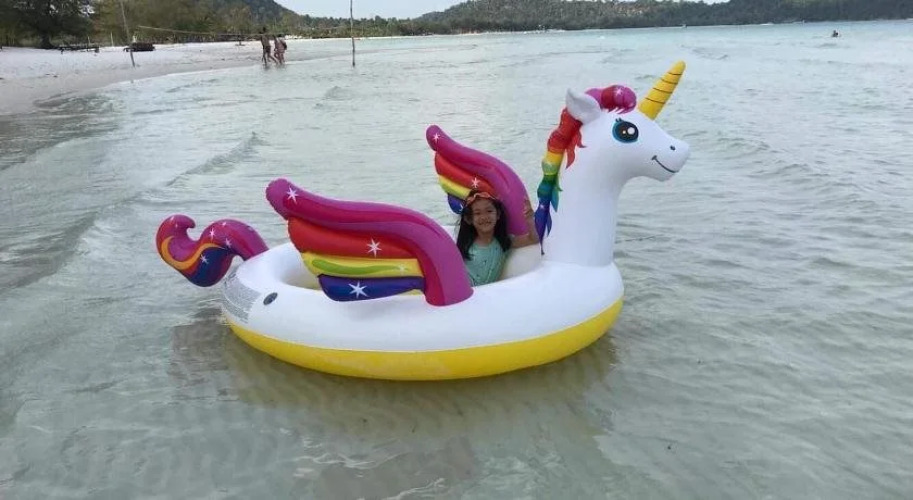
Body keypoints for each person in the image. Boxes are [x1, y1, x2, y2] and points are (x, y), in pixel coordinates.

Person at [456, 190, 538, 287]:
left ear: (498, 214)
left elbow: (533, 239)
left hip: (487, 294)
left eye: (489, 211)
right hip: (464, 292)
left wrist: (530, 220)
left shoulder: (504, 242)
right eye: (477, 213)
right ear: (469, 219)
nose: (484, 217)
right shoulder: (464, 245)